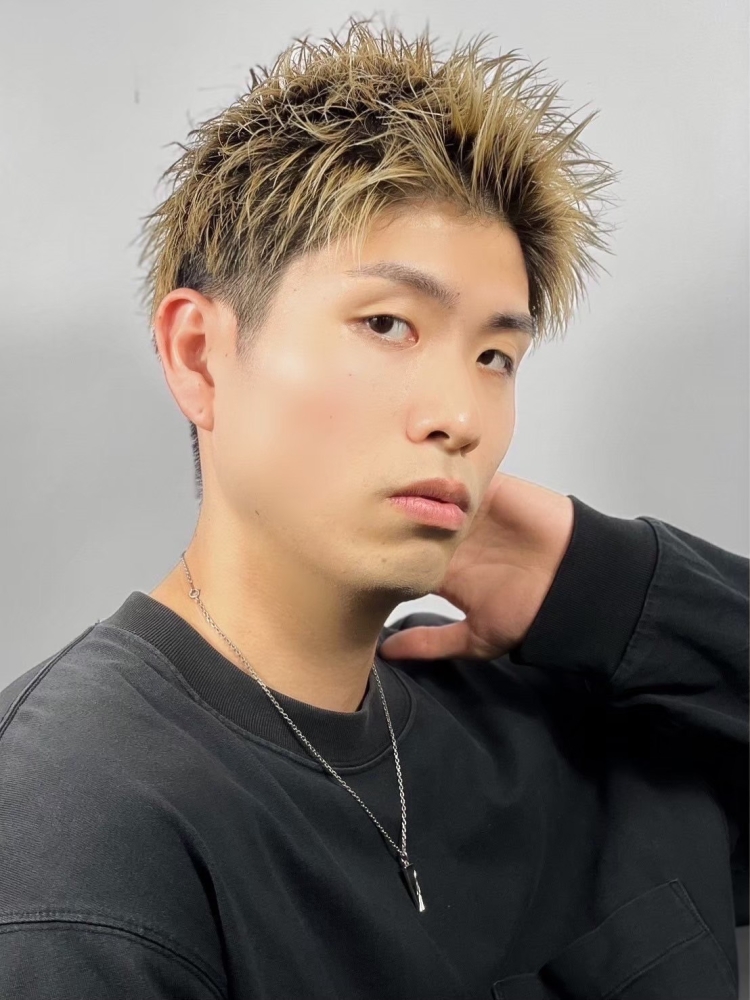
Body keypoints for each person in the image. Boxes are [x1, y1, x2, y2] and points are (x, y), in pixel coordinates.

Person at [1, 16, 747, 1000]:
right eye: (388, 324)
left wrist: (600, 582)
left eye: (496, 356)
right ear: (199, 357)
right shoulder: (78, 826)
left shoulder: (562, 731)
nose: (459, 417)